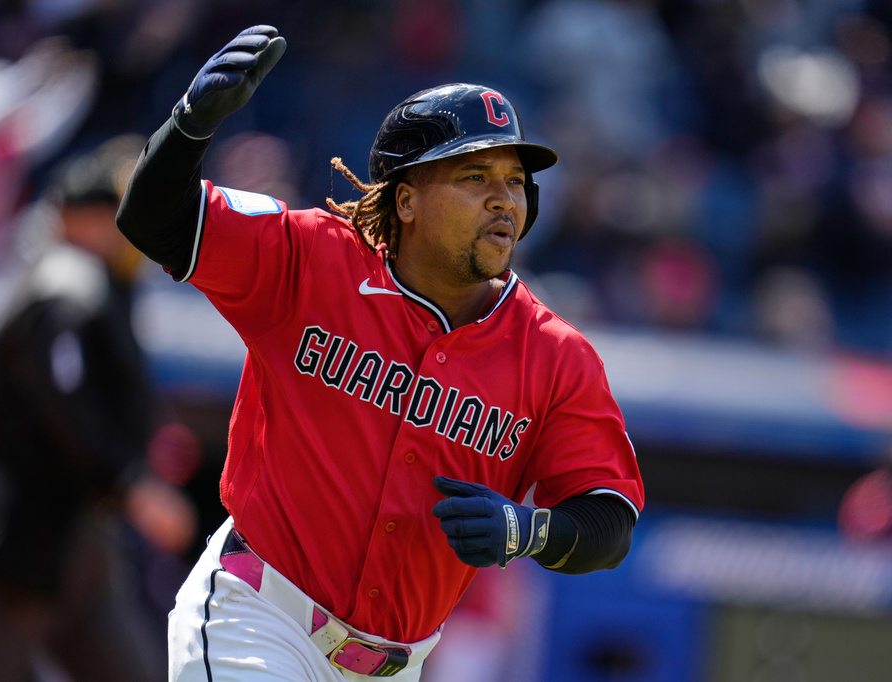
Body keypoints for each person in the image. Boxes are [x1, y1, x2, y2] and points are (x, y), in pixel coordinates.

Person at [116, 25, 644, 682]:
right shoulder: (309, 259)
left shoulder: (556, 358)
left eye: (514, 181)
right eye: (475, 175)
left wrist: (527, 531)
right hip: (257, 615)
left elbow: (610, 519)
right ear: (407, 199)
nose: (504, 198)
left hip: (395, 666)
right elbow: (152, 218)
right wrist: (189, 127)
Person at [0, 138, 195, 682]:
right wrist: (134, 486)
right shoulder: (65, 285)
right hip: (30, 531)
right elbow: (64, 406)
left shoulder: (96, 284)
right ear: (84, 219)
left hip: (78, 538)